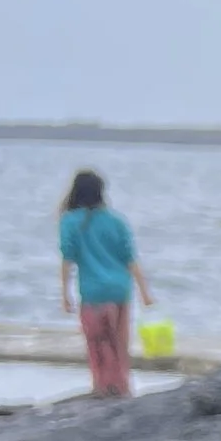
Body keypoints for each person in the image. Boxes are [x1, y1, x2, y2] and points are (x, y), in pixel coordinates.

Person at [56, 170, 155, 398]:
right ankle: (122, 389)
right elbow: (130, 259)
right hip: (120, 290)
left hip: (93, 293)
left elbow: (67, 260)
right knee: (118, 345)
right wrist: (145, 293)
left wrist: (65, 294)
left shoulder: (70, 222)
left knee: (97, 344)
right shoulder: (116, 221)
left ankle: (102, 388)